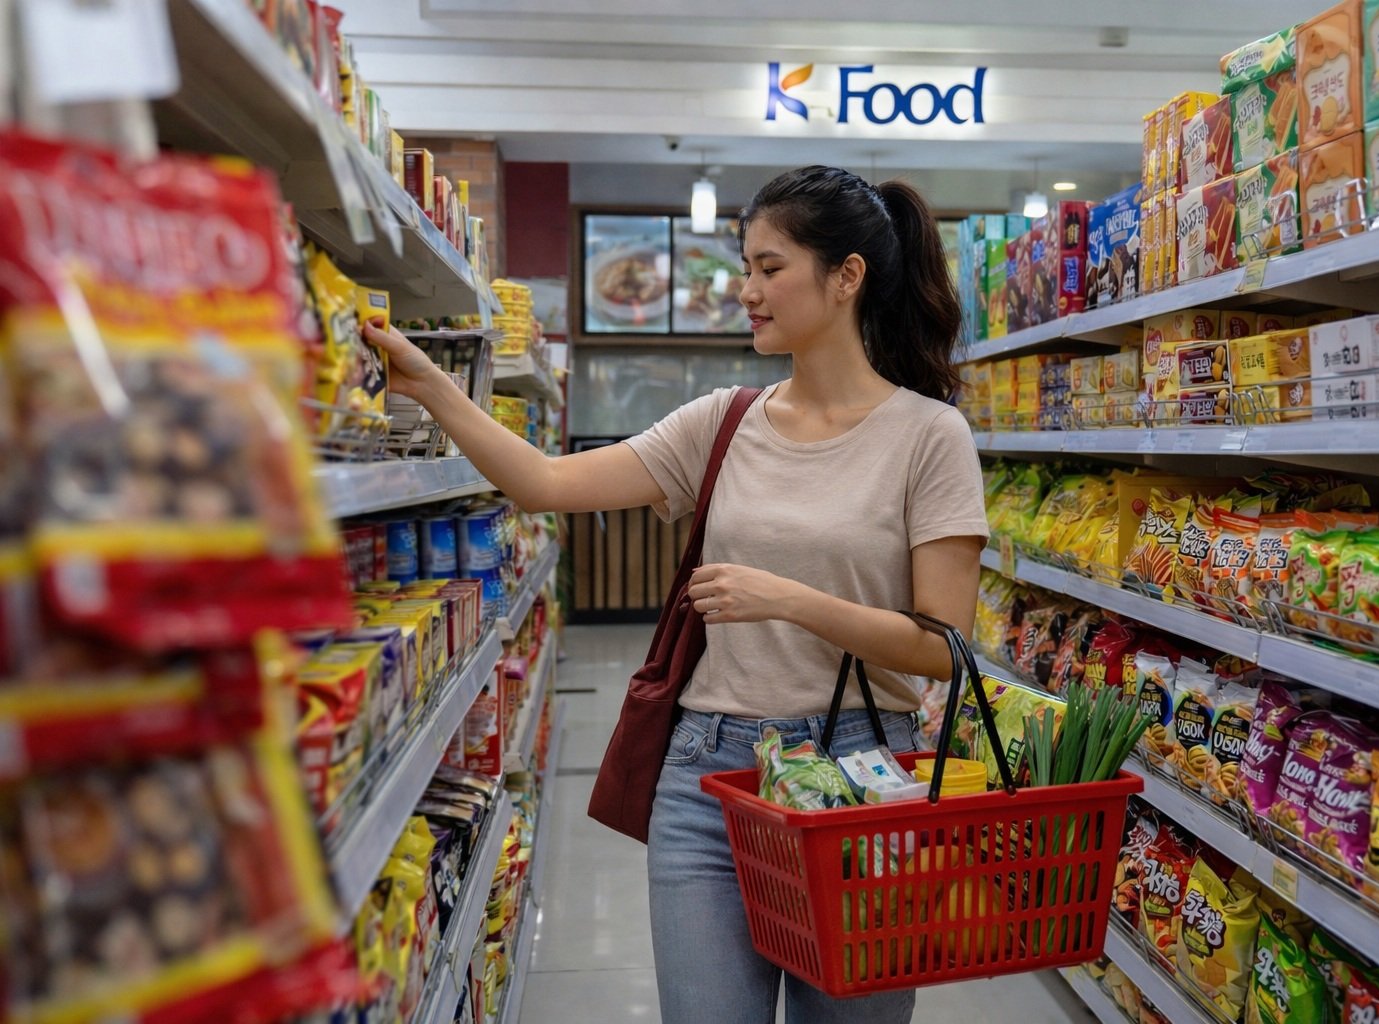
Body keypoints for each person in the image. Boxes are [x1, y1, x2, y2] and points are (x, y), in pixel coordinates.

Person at [364, 164, 988, 1024]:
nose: (747, 290)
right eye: (745, 267)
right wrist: (430, 383)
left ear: (847, 277)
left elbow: (942, 649)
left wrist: (792, 599)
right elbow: (545, 482)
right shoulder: (722, 420)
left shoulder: (930, 436)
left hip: (859, 777)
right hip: (710, 776)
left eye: (771, 268)